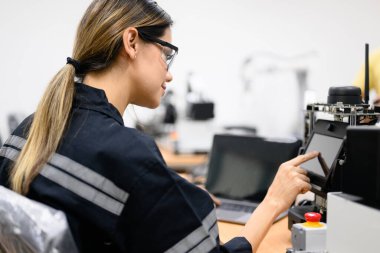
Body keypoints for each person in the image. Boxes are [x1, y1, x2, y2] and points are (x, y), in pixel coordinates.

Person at [0, 0, 318, 252]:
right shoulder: (128, 155)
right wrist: (275, 200)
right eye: (167, 54)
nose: (169, 73)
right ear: (132, 42)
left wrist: (169, 192)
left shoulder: (29, 129)